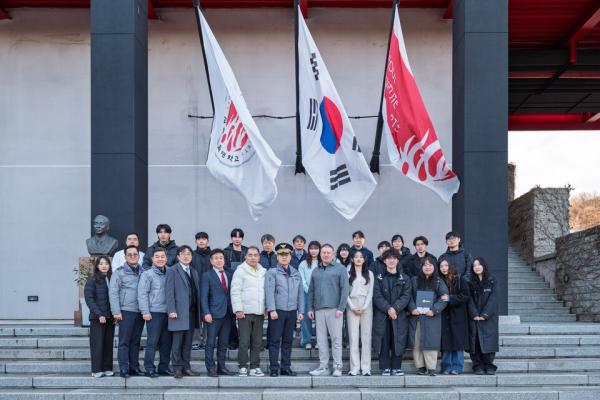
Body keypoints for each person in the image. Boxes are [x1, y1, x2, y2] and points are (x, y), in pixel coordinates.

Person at [308, 244, 350, 377]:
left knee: (336, 339)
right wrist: (310, 308)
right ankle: (323, 366)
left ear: (333, 254)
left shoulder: (340, 269)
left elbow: (345, 289)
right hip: (319, 310)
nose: (326, 255)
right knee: (321, 340)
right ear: (320, 254)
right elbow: (311, 291)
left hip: (334, 310)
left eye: (328, 253)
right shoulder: (316, 270)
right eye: (323, 252)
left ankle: (338, 367)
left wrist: (341, 308)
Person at [265, 243, 305, 377]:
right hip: (278, 311)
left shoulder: (296, 273)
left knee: (288, 341)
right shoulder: (272, 272)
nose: (284, 257)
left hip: (292, 311)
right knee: (275, 340)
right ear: (277, 257)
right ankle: (274, 368)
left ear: (290, 256)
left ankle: (285, 368)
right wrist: (272, 309)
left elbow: (300, 294)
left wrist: (301, 311)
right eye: (281, 255)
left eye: (286, 255)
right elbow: (269, 292)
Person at [372, 249, 412, 376]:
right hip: (382, 314)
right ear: (384, 261)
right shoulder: (378, 278)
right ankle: (385, 367)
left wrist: (395, 308)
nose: (391, 260)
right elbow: (376, 296)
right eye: (388, 258)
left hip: (398, 315)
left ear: (398, 260)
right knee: (383, 340)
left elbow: (406, 296)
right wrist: (388, 309)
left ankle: (396, 367)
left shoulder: (405, 278)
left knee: (398, 340)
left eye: (394, 258)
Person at [408, 256, 449, 376]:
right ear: (421, 267)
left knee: (431, 341)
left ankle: (431, 367)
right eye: (425, 265)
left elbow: (444, 298)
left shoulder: (438, 281)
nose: (427, 267)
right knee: (416, 342)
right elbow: (408, 296)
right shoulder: (414, 280)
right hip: (417, 316)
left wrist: (435, 310)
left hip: (432, 317)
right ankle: (420, 367)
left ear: (434, 267)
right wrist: (412, 308)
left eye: (430, 265)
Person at [109, 245, 145, 377]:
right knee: (124, 341)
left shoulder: (143, 271)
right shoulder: (119, 272)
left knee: (136, 341)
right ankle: (124, 367)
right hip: (125, 311)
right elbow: (113, 293)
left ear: (139, 256)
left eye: (135, 254)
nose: (132, 256)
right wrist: (116, 312)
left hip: (140, 311)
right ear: (125, 257)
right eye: (129, 254)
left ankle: (134, 367)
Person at [166, 246, 202, 379]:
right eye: (183, 254)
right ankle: (177, 368)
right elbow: (169, 292)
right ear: (178, 256)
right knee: (177, 343)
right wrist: (171, 310)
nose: (186, 256)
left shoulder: (194, 271)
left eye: (188, 254)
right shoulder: (172, 270)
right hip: (178, 313)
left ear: (192, 257)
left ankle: (186, 367)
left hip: (192, 313)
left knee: (188, 343)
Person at [230, 246, 267, 377]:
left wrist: (266, 307)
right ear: (245, 257)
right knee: (244, 341)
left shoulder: (263, 271)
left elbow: (265, 291)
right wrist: (238, 309)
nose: (253, 257)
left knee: (257, 341)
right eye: (250, 255)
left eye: (255, 255)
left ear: (259, 257)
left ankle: (254, 366)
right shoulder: (240, 271)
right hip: (244, 312)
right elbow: (235, 291)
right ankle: (243, 366)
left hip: (259, 312)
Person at [138, 248, 172, 378]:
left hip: (168, 313)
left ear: (166, 258)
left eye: (162, 256)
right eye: (157, 257)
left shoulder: (170, 272)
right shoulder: (147, 274)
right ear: (152, 259)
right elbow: (142, 294)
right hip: (154, 312)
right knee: (152, 342)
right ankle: (149, 368)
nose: (160, 259)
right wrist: (145, 311)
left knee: (166, 342)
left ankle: (163, 367)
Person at [200, 249, 234, 377]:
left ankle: (222, 367)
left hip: (227, 314)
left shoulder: (229, 275)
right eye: (216, 258)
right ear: (211, 261)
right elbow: (203, 296)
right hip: (213, 314)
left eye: (221, 258)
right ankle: (211, 368)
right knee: (210, 343)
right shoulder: (207, 275)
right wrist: (206, 313)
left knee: (223, 343)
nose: (219, 260)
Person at [467, 257, 499, 375]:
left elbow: (493, 299)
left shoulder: (492, 280)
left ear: (484, 266)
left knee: (489, 340)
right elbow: (468, 299)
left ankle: (489, 365)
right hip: (474, 317)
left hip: (488, 317)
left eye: (479, 265)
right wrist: (474, 314)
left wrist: (485, 314)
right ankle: (477, 365)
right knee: (475, 341)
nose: (477, 267)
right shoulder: (469, 282)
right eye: (474, 265)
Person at [84, 256, 115, 378]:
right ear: (97, 266)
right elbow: (89, 299)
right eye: (101, 264)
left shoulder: (112, 278)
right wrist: (99, 314)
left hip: (110, 317)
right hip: (98, 317)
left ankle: (107, 368)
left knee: (108, 343)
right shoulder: (92, 280)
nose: (104, 266)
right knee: (97, 344)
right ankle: (96, 369)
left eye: (106, 263)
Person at [439, 258, 470, 375]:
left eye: (446, 266)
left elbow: (466, 295)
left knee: (458, 343)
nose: (444, 268)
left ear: (450, 266)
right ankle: (446, 367)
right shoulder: (439, 280)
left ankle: (457, 367)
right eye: (441, 266)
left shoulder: (460, 279)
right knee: (446, 343)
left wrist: (450, 298)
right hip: (444, 315)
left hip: (458, 315)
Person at [346, 251, 374, 376]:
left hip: (366, 305)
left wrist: (364, 306)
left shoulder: (369, 274)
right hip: (351, 304)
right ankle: (355, 367)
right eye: (356, 257)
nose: (358, 259)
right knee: (353, 337)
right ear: (352, 259)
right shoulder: (347, 273)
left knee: (366, 337)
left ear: (364, 259)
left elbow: (371, 292)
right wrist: (352, 307)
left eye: (361, 257)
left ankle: (366, 367)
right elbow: (345, 293)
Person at [298, 241, 321, 349]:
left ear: (319, 250)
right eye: (311, 248)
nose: (313, 251)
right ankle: (306, 340)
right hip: (306, 294)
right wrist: (309, 291)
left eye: (316, 248)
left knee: (320, 319)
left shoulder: (322, 263)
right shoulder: (303, 263)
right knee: (306, 319)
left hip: (320, 295)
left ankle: (319, 341)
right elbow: (302, 280)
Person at [191, 232, 211, 350]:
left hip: (209, 290)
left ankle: (207, 340)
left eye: (204, 239)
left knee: (208, 316)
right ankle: (196, 341)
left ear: (207, 241)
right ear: (196, 241)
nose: (201, 241)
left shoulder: (212, 255)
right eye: (198, 239)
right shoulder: (192, 255)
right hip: (195, 289)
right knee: (196, 316)